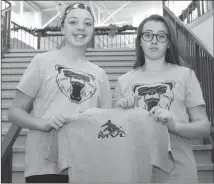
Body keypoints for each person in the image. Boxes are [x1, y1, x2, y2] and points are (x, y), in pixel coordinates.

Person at [8, 3, 112, 183]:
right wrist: (44, 123)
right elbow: (14, 112)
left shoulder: (100, 74)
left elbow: (106, 123)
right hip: (44, 167)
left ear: (93, 30)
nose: (81, 27)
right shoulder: (42, 62)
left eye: (87, 24)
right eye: (73, 22)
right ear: (62, 28)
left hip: (86, 166)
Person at [113, 14, 211, 183]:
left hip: (179, 171)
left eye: (161, 36)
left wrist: (175, 126)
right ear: (140, 41)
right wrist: (121, 114)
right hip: (136, 171)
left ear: (168, 43)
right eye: (148, 35)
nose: (154, 40)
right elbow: (114, 134)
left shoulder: (186, 75)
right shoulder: (124, 81)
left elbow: (204, 127)